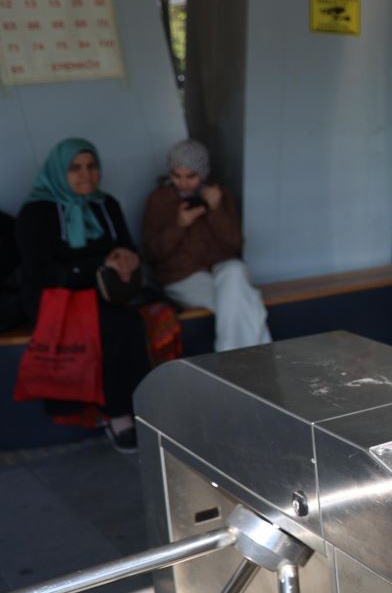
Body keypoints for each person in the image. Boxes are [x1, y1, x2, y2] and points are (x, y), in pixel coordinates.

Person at [14, 138, 151, 451]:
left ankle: (142, 407)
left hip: (102, 294)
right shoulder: (37, 212)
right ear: (58, 172)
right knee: (119, 325)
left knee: (134, 318)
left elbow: (126, 246)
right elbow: (40, 272)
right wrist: (99, 263)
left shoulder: (105, 205)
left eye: (92, 166)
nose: (86, 174)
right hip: (55, 298)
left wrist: (127, 258)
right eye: (75, 168)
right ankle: (118, 414)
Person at [142, 139, 270, 352]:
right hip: (181, 277)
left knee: (235, 272)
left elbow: (235, 244)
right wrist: (179, 225)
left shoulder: (219, 196)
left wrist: (216, 209)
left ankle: (231, 358)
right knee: (241, 302)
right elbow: (152, 253)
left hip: (221, 270)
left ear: (202, 173)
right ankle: (253, 358)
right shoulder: (159, 200)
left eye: (191, 176)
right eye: (176, 175)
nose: (183, 183)